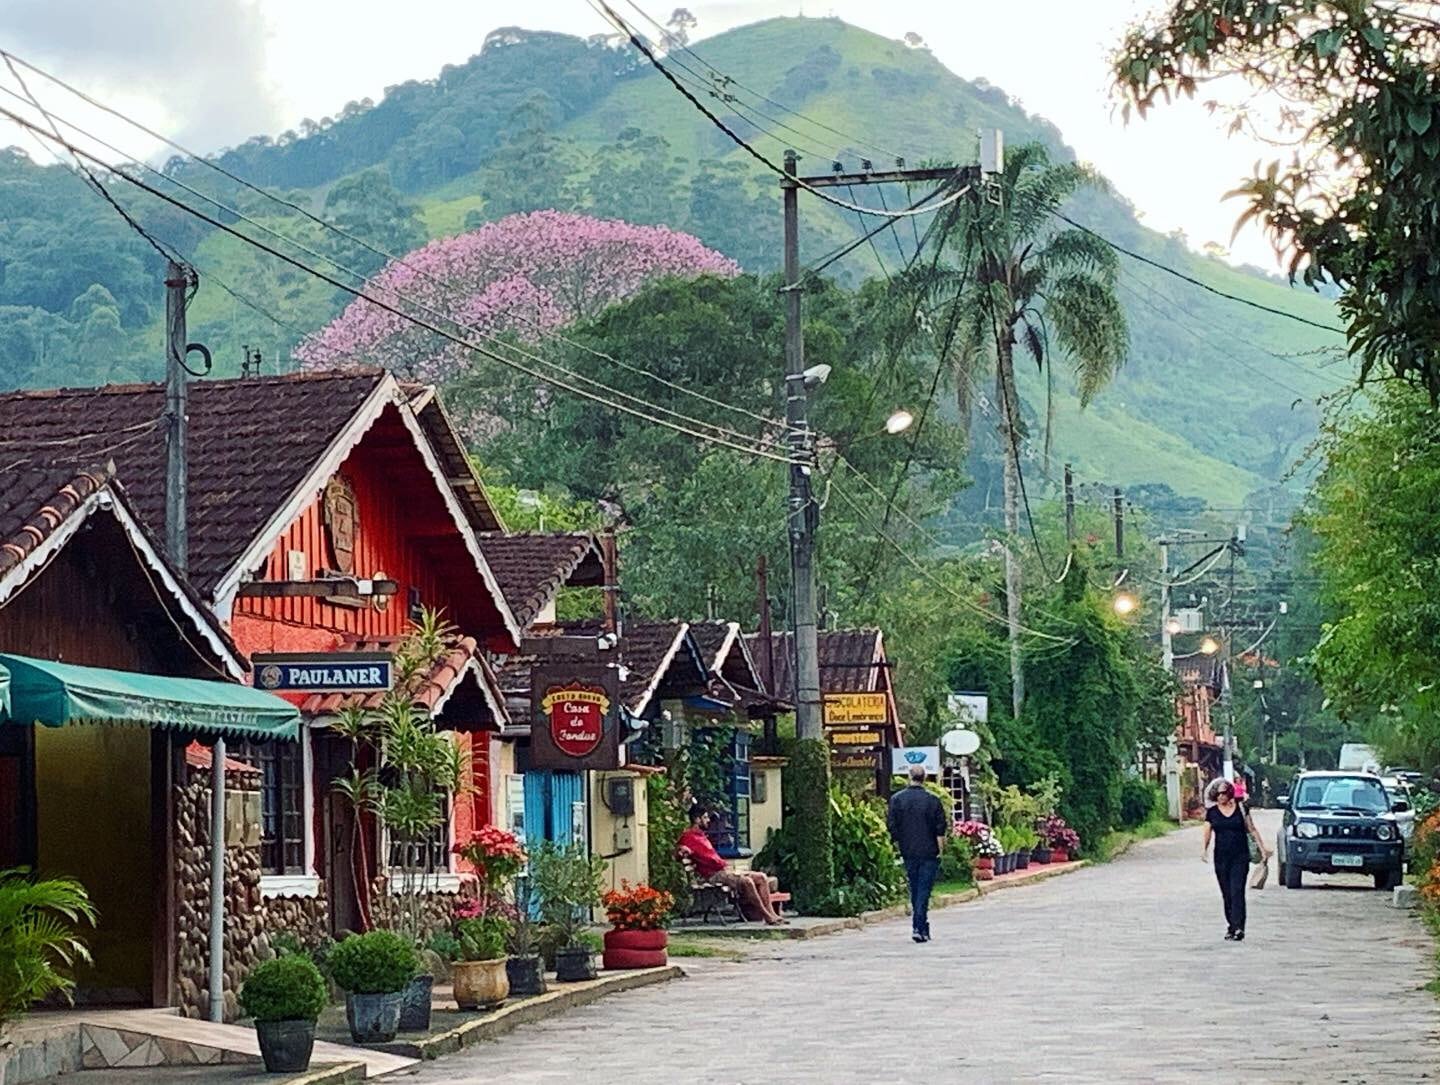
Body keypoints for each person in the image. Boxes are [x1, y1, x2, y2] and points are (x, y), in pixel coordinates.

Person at [677, 805, 785, 925]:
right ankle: (766, 916)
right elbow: (681, 851)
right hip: (713, 875)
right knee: (747, 881)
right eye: (705, 817)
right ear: (697, 819)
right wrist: (682, 850)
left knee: (761, 877)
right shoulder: (689, 837)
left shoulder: (702, 836)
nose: (708, 820)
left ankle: (772, 913)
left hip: (724, 870)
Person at [1201, 779, 1271, 941]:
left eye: (1224, 793)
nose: (1221, 797)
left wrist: (1263, 849)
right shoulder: (1212, 813)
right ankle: (1231, 926)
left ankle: (1239, 927)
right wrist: (1204, 850)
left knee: (1237, 891)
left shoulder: (1241, 809)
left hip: (1240, 856)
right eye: (1217, 794)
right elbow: (1207, 831)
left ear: (1230, 793)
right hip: (1221, 858)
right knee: (1227, 893)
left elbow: (1252, 829)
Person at [887, 764, 947, 944]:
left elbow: (892, 825)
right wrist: (941, 851)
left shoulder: (897, 800)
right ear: (925, 777)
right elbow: (940, 829)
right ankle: (919, 925)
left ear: (909, 776)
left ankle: (920, 925)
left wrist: (899, 844)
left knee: (915, 887)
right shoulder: (933, 800)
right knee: (924, 889)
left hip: (908, 850)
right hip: (929, 851)